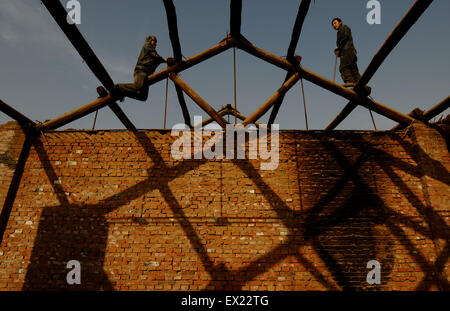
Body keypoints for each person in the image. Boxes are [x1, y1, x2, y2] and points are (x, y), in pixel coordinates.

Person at [97, 35, 173, 102]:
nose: (155, 44)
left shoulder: (152, 53)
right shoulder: (147, 46)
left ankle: (123, 92)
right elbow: (156, 56)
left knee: (143, 97)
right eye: (154, 42)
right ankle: (117, 87)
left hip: (146, 76)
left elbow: (157, 59)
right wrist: (165, 60)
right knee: (137, 86)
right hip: (141, 71)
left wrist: (166, 60)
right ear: (150, 41)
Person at [332, 18, 361, 87]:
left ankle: (350, 81)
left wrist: (338, 48)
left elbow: (345, 37)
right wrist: (338, 51)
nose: (334, 25)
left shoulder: (343, 28)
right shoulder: (342, 30)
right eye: (333, 24)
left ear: (340, 22)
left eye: (335, 23)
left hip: (347, 51)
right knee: (353, 68)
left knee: (343, 67)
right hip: (350, 52)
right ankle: (359, 83)